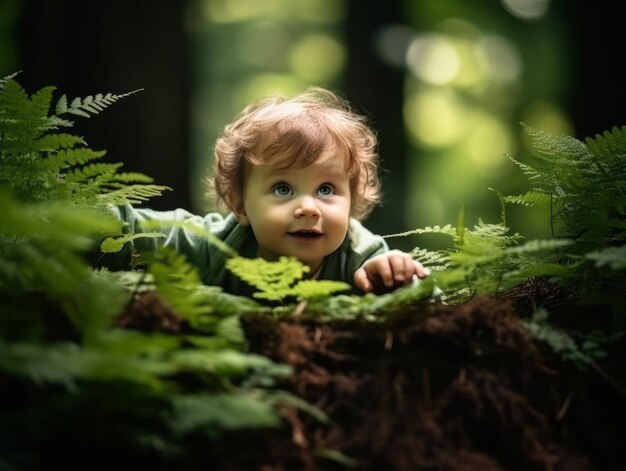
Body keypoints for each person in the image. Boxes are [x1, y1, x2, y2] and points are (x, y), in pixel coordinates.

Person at [106, 87, 428, 297]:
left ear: (351, 200)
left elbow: (431, 304)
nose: (308, 207)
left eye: (326, 189)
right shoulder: (217, 248)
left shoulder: (361, 258)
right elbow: (129, 231)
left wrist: (397, 278)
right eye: (283, 188)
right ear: (240, 205)